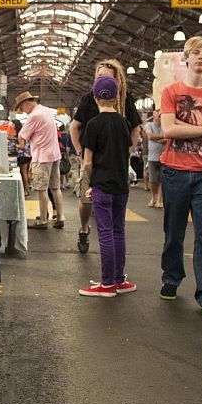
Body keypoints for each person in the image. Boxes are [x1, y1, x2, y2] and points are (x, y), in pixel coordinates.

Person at [158, 36, 202, 317]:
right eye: (196, 52)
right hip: (174, 170)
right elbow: (168, 131)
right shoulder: (171, 91)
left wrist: (179, 125)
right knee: (173, 232)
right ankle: (171, 278)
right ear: (186, 58)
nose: (201, 56)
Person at [71, 59, 141, 248]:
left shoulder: (126, 99)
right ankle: (84, 229)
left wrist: (126, 152)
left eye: (106, 77)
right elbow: (74, 127)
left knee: (114, 218)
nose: (101, 80)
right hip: (91, 160)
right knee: (86, 200)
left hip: (116, 165)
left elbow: (136, 128)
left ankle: (111, 261)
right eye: (98, 76)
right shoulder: (89, 99)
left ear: (117, 81)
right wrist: (80, 152)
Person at [78, 75, 136, 297]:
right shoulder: (124, 123)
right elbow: (126, 154)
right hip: (121, 186)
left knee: (105, 233)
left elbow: (87, 162)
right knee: (119, 230)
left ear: (95, 98)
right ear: (117, 96)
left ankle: (107, 283)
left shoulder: (93, 125)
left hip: (102, 185)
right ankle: (120, 280)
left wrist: (92, 183)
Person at [15, 91, 64, 230]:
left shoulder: (34, 115)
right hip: (54, 155)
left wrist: (21, 145)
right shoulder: (46, 110)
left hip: (42, 157)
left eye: (22, 108)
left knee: (42, 189)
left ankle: (43, 220)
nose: (23, 111)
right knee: (55, 188)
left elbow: (21, 135)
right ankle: (60, 217)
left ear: (26, 103)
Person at [144, 115, 166, 208]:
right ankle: (153, 197)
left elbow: (168, 139)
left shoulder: (165, 126)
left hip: (164, 158)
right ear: (154, 115)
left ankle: (159, 200)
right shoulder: (149, 125)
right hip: (152, 157)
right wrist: (162, 137)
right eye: (158, 113)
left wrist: (155, 138)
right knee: (152, 180)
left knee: (162, 180)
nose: (160, 116)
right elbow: (150, 136)